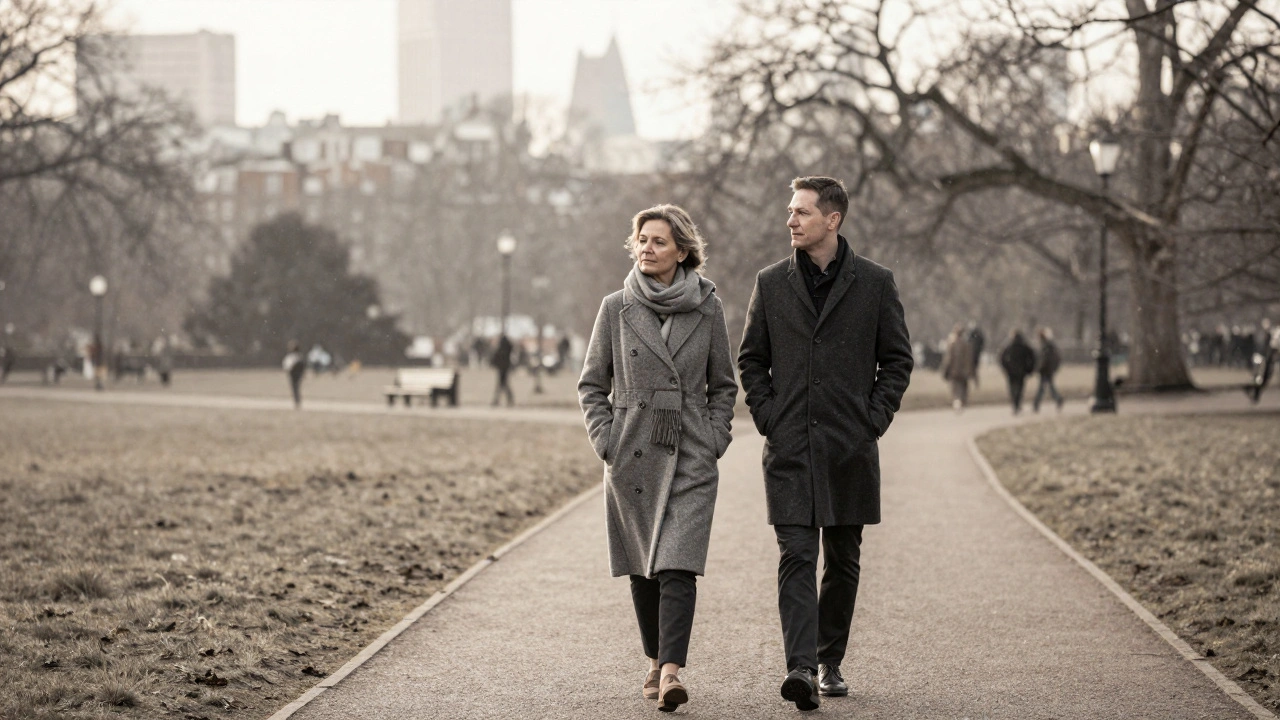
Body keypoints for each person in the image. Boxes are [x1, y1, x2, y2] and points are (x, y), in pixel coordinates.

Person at [738, 176, 912, 711]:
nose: (791, 220)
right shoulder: (770, 283)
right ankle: (801, 668)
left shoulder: (875, 284)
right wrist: (770, 417)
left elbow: (898, 360)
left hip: (848, 447)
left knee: (842, 560)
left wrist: (872, 420)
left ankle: (828, 657)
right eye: (790, 211)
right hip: (789, 446)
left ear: (832, 220)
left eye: (802, 212)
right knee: (795, 554)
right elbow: (750, 359)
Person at [579, 203, 737, 713]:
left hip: (690, 450)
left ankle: (670, 672)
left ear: (683, 251)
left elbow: (723, 385)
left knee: (677, 565)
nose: (647, 249)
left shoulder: (708, 307)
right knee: (642, 567)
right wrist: (607, 439)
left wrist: (714, 438)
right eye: (642, 240)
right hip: (632, 452)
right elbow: (591, 383)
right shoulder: (615, 307)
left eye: (658, 241)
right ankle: (654, 658)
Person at [998, 329, 1037, 415]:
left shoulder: (1008, 346)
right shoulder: (1025, 346)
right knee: (1020, 388)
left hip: (1011, 371)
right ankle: (1017, 403)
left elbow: (1001, 358)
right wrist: (1029, 369)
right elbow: (1033, 357)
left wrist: (1006, 368)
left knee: (1012, 388)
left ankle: (1015, 403)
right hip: (1021, 371)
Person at [940, 323, 975, 411]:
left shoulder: (951, 344)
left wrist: (945, 370)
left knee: (955, 389)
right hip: (964, 371)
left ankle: (957, 402)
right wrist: (969, 370)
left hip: (954, 371)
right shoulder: (967, 344)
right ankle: (962, 402)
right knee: (963, 388)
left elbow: (948, 359)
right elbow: (969, 359)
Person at [1033, 326, 1064, 412]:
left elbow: (1044, 360)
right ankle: (1058, 399)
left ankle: (1036, 404)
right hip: (1048, 370)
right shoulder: (1049, 346)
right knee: (1050, 387)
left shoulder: (1046, 346)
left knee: (1042, 388)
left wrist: (1039, 368)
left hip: (1045, 371)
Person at [490, 334, 515, 406]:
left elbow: (495, 358)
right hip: (505, 368)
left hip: (502, 368)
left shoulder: (501, 349)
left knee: (502, 385)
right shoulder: (507, 349)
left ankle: (497, 400)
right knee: (503, 385)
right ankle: (506, 400)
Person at [282, 340, 305, 409]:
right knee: (296, 388)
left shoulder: (292, 357)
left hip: (294, 374)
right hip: (297, 374)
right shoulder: (299, 356)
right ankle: (297, 401)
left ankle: (297, 402)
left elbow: (287, 366)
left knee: (295, 388)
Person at [967, 321, 985, 388]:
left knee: (972, 369)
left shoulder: (972, 336)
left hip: (973, 355)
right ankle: (975, 383)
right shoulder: (979, 335)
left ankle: (974, 383)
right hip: (976, 355)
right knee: (974, 370)